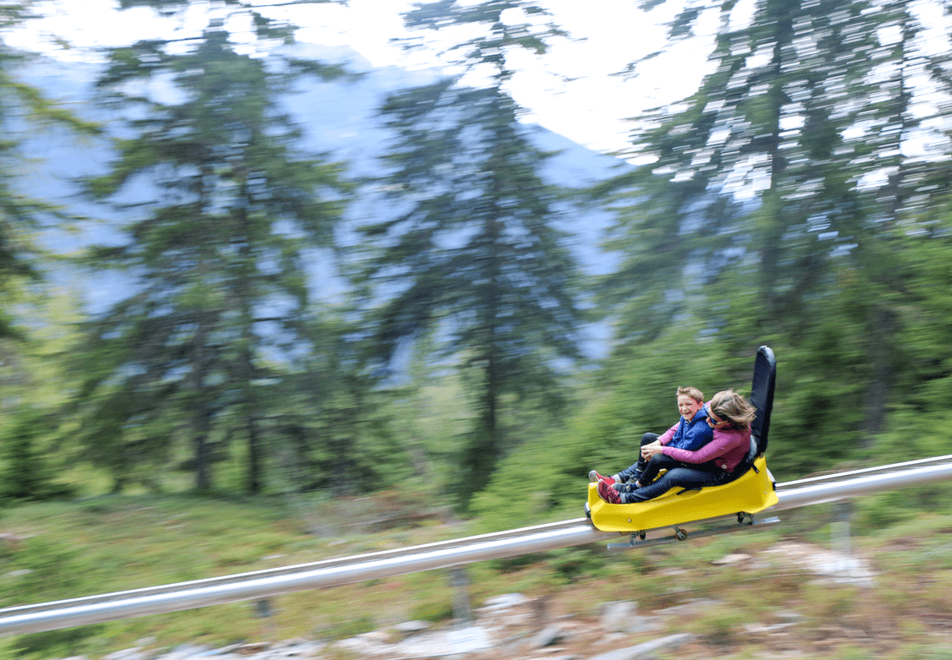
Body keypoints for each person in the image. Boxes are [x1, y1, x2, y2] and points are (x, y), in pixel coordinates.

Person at [596, 389, 757, 504]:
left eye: (713, 421)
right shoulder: (714, 407)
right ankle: (624, 480)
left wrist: (662, 450)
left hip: (716, 470)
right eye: (709, 416)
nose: (708, 421)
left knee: (674, 476)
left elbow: (697, 457)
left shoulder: (731, 437)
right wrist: (659, 442)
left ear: (729, 422)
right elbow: (679, 424)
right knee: (651, 441)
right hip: (705, 454)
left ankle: (625, 498)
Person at [589, 386, 713, 487]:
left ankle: (636, 485)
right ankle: (622, 478)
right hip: (679, 451)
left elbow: (683, 451)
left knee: (657, 457)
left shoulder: (700, 428)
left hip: (689, 463)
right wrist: (656, 445)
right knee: (648, 438)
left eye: (688, 404)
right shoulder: (686, 418)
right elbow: (676, 436)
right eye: (680, 405)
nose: (684, 408)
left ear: (700, 405)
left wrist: (659, 450)